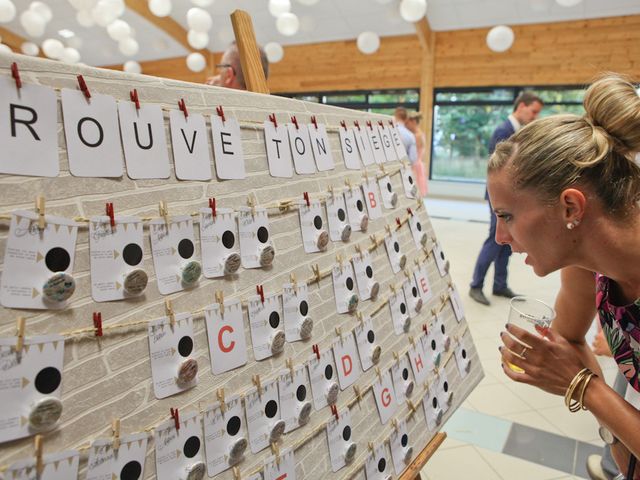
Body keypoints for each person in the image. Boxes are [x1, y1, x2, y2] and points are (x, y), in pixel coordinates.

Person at [492, 74, 640, 479]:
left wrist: (582, 386)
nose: (500, 237)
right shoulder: (586, 265)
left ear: (571, 208)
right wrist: (616, 435)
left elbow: (577, 372)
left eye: (507, 216)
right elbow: (568, 338)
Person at [469, 91, 544, 305]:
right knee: (496, 239)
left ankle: (499, 285)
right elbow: (499, 172)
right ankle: (476, 285)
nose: (534, 117)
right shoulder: (503, 131)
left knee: (508, 243)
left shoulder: (517, 131)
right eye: (533, 112)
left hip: (512, 199)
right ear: (521, 106)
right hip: (501, 200)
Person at [405, 112, 428, 196]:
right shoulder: (420, 134)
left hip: (414, 165)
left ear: (413, 122)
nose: (406, 125)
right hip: (417, 164)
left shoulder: (416, 135)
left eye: (407, 123)